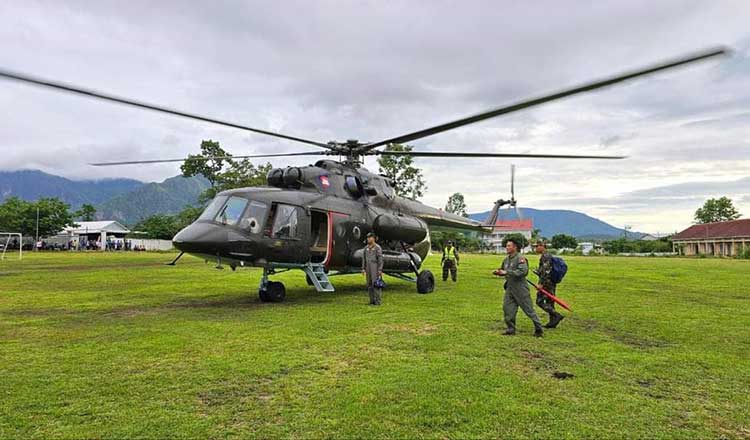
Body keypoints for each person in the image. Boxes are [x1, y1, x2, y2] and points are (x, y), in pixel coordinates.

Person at [496, 237, 543, 337]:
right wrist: (499, 272)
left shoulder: (520, 258)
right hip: (510, 288)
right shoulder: (506, 260)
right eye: (506, 246)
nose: (506, 247)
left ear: (515, 247)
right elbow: (503, 270)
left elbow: (523, 272)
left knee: (528, 309)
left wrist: (507, 272)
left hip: (520, 288)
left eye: (509, 246)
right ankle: (511, 328)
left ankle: (539, 328)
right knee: (507, 308)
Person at [534, 240, 565, 328]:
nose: (535, 248)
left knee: (539, 301)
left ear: (542, 246)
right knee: (550, 302)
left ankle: (556, 315)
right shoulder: (548, 256)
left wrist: (540, 284)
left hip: (547, 283)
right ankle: (553, 322)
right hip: (551, 282)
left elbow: (546, 271)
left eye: (537, 246)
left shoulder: (545, 256)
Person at [361, 232, 384, 305]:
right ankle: (372, 301)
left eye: (370, 237)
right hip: (368, 268)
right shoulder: (366, 248)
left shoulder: (377, 247)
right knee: (369, 284)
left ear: (373, 238)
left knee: (376, 284)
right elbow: (364, 259)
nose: (368, 239)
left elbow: (380, 259)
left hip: (375, 267)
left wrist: (380, 269)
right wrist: (363, 268)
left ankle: (378, 301)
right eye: (367, 238)